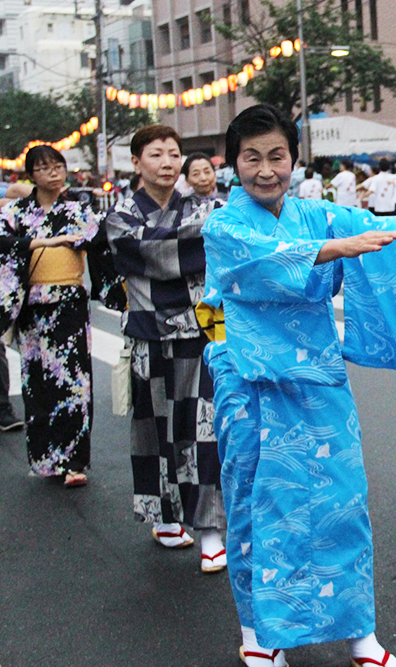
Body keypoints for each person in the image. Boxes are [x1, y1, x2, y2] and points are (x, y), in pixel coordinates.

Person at [201, 103, 396, 667]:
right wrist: (327, 252)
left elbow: (380, 230)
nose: (266, 169)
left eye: (277, 156)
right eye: (252, 158)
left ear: (293, 157)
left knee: (341, 501)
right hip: (252, 383)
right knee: (258, 504)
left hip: (318, 377)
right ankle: (259, 633)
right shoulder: (225, 224)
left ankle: (359, 632)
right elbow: (260, 262)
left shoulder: (314, 213)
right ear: (234, 165)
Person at [105, 125, 228, 572]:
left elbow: (210, 244)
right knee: (153, 430)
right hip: (148, 334)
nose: (167, 162)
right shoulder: (119, 215)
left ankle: (211, 528)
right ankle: (165, 514)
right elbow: (152, 253)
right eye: (155, 154)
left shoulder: (207, 206)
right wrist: (198, 237)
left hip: (199, 333)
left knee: (204, 430)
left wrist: (194, 237)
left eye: (174, 154)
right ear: (136, 162)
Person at [0, 145, 124, 486]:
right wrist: (42, 244)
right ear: (31, 174)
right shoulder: (15, 212)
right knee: (37, 381)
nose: (54, 172)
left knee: (73, 381)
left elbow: (101, 242)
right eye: (44, 167)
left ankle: (73, 461)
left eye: (58, 166)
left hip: (68, 303)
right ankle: (44, 459)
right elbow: (2, 243)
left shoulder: (78, 210)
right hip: (32, 306)